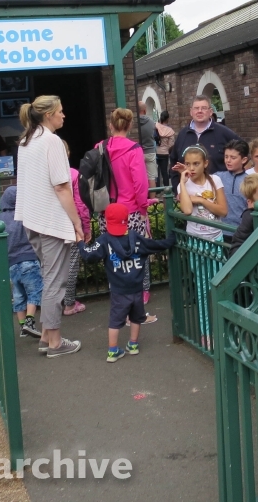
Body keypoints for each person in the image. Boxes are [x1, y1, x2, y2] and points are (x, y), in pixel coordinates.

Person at [15, 95, 84, 358]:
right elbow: (61, 186)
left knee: (49, 277)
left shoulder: (26, 141)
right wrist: (76, 222)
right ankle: (55, 341)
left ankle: (46, 335)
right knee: (56, 281)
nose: (63, 115)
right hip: (51, 221)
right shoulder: (51, 141)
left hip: (31, 219)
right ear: (48, 115)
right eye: (61, 111)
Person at [79, 203, 175, 362]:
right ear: (127, 219)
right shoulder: (135, 237)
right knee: (137, 317)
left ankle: (112, 350)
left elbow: (89, 255)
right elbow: (156, 245)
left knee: (115, 321)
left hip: (118, 290)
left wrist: (80, 243)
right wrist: (171, 238)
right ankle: (133, 345)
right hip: (137, 289)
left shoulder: (105, 240)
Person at [99, 108, 157, 318]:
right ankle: (142, 293)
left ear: (111, 125)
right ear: (130, 125)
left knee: (113, 253)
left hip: (107, 210)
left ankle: (117, 292)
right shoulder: (134, 149)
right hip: (131, 210)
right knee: (138, 251)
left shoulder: (100, 147)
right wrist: (143, 207)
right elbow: (140, 184)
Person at [0, 186, 43, 339]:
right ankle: (30, 321)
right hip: (29, 261)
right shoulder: (26, 215)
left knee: (19, 296)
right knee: (34, 292)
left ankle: (22, 326)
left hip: (11, 264)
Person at [170, 95, 242, 181]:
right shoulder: (182, 134)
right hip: (188, 191)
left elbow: (243, 155)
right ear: (191, 112)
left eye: (204, 108)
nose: (199, 111)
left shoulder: (224, 132)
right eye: (196, 108)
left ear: (210, 112)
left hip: (218, 190)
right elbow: (173, 163)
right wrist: (177, 189)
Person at [176, 145, 228, 241]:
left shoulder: (215, 180)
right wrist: (182, 182)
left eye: (196, 164)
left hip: (216, 237)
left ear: (205, 163)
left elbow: (223, 211)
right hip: (195, 238)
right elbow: (187, 210)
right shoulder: (183, 185)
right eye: (187, 164)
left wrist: (201, 200)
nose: (191, 168)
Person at [63, 140, 89, 316]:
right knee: (71, 266)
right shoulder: (73, 174)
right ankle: (69, 304)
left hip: (50, 227)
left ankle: (55, 302)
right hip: (70, 225)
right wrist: (85, 227)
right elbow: (80, 204)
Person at [216, 139, 251, 225]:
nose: (228, 160)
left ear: (243, 160)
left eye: (233, 158)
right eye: (226, 156)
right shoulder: (217, 177)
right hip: (220, 230)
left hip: (240, 231)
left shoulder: (249, 181)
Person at [137, 102, 158, 186]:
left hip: (138, 152)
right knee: (152, 177)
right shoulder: (151, 122)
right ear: (145, 110)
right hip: (150, 151)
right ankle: (153, 198)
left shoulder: (135, 122)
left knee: (140, 176)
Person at [155, 111, 176, 186]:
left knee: (156, 172)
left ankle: (157, 189)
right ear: (167, 119)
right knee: (164, 172)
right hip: (165, 153)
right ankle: (167, 188)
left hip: (156, 152)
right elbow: (171, 144)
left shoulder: (156, 126)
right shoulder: (170, 131)